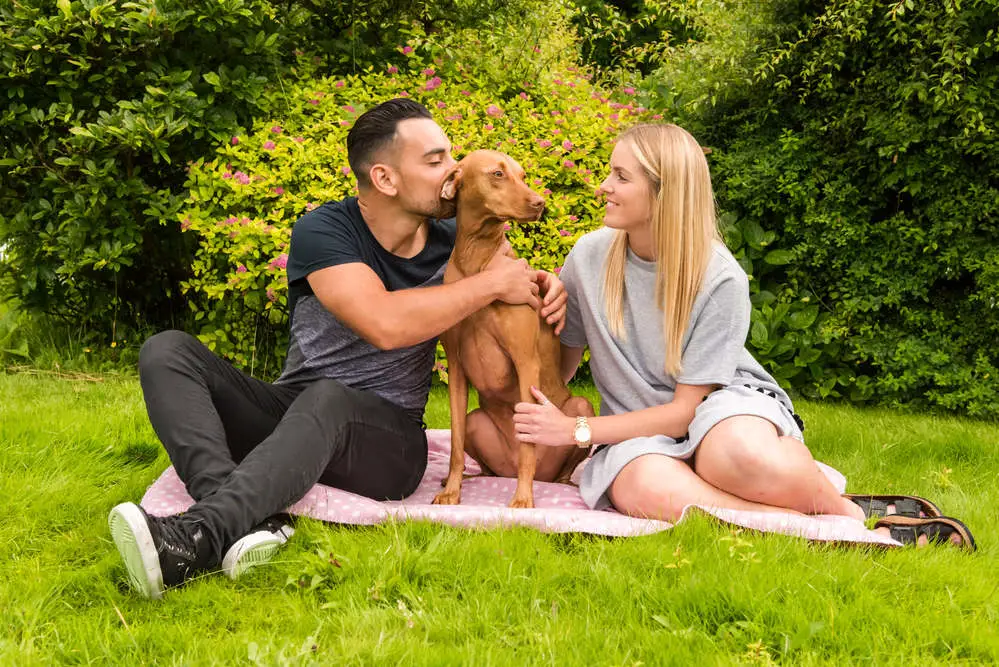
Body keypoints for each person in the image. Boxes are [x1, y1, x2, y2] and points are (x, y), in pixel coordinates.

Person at [108, 98, 570, 598]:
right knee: (167, 349)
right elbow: (384, 324)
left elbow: (507, 283)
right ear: (385, 179)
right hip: (295, 414)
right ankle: (236, 512)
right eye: (435, 161)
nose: (451, 171)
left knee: (329, 398)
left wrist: (543, 284)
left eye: (451, 158)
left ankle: (197, 537)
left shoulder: (455, 238)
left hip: (388, 443)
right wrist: (487, 286)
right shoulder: (325, 231)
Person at [511, 123, 975, 551]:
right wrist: (542, 306)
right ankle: (806, 526)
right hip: (635, 429)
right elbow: (560, 371)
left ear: (664, 192)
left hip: (719, 405)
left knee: (731, 454)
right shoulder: (589, 257)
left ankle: (845, 512)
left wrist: (578, 430)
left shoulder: (717, 276)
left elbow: (684, 413)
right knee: (640, 487)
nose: (603, 188)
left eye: (621, 177)